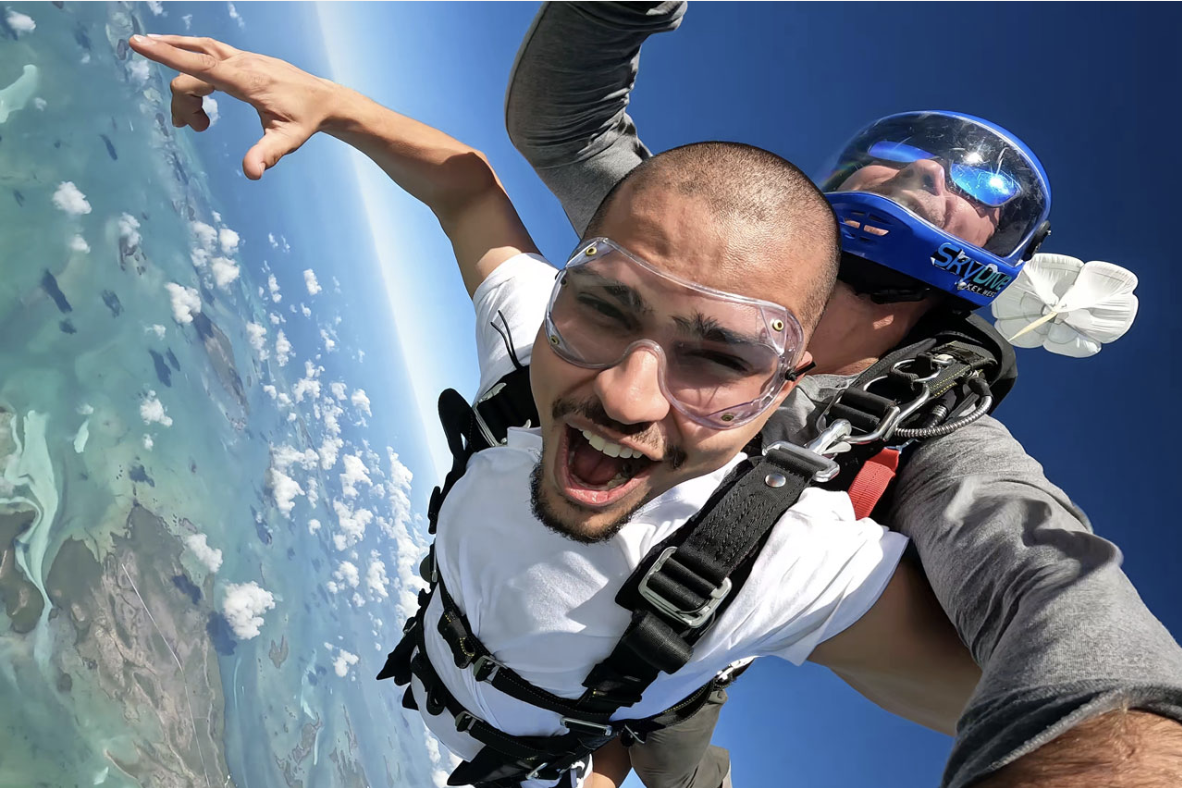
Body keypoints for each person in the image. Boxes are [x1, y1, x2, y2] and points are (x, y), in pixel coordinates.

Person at [130, 32, 996, 788]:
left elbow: (1064, 717)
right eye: (606, 307)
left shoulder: (781, 556)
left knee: (682, 748)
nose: (625, 394)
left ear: (786, 383)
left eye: (723, 355)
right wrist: (334, 102)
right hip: (466, 685)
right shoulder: (525, 358)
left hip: (564, 736)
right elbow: (467, 192)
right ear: (562, 294)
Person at [503, 3, 1182, 788]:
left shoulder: (931, 433)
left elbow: (1043, 575)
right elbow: (565, 127)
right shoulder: (706, 253)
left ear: (995, 254)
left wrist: (1120, 733)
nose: (931, 170)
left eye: (977, 184)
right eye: (904, 157)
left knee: (670, 753)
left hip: (676, 637)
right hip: (543, 558)